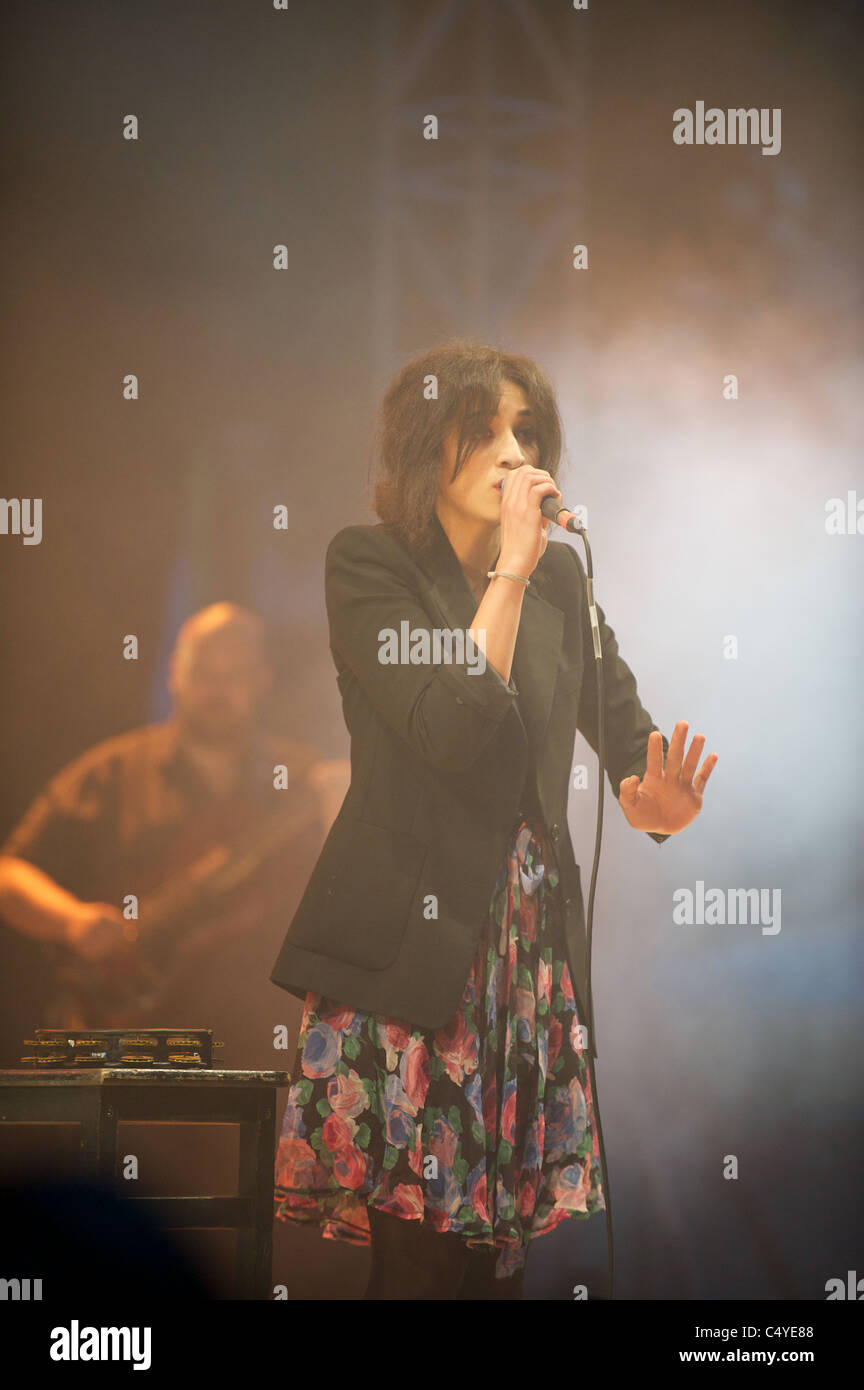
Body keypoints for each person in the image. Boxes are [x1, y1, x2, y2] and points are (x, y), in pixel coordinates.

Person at [268, 341, 718, 1300]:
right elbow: (450, 728)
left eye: (529, 433)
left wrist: (657, 807)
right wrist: (511, 569)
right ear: (429, 447)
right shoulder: (371, 564)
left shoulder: (562, 583)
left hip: (522, 954)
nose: (519, 454)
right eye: (489, 434)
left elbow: (630, 740)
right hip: (410, 950)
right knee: (422, 1257)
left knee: (495, 1259)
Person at [0, 602, 348, 1064]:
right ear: (173, 673)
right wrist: (73, 921)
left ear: (262, 680)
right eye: (203, 671)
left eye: (235, 674)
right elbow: (10, 872)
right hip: (130, 1048)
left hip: (264, 1048)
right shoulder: (114, 772)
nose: (217, 690)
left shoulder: (305, 779)